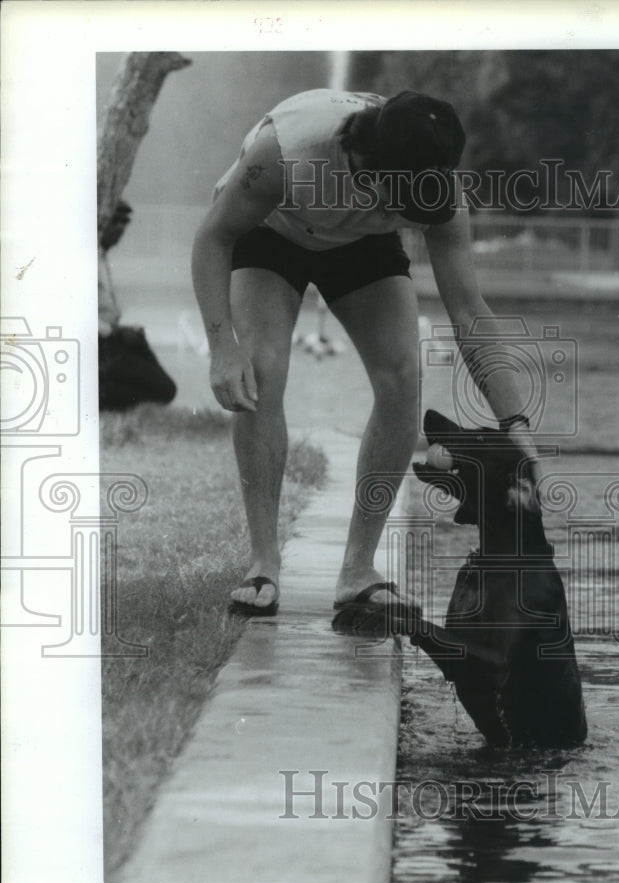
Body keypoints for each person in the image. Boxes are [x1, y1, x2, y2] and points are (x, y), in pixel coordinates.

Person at [191, 88, 542, 617]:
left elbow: (468, 310)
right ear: (367, 166)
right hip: (274, 230)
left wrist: (516, 424)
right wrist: (222, 346)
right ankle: (263, 561)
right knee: (264, 368)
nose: (394, 212)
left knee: (404, 376)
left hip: (359, 249)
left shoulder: (437, 191)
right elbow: (213, 237)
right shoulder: (285, 152)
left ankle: (358, 569)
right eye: (391, 201)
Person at [99, 200, 177, 411]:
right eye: (116, 222)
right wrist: (112, 331)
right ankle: (99, 395)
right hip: (98, 344)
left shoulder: (102, 257)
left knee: (164, 387)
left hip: (111, 337)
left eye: (125, 223)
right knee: (163, 390)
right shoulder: (85, 258)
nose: (121, 230)